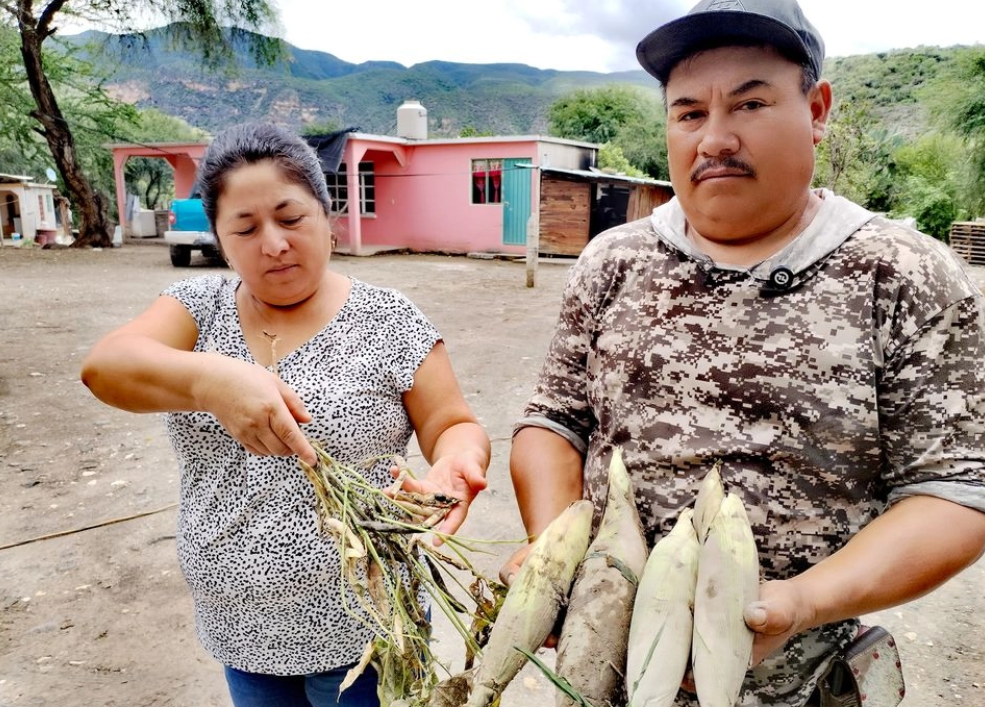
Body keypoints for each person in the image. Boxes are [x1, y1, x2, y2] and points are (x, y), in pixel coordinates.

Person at [504, 0, 985, 705]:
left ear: (816, 108)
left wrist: (802, 600)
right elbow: (553, 421)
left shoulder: (902, 272)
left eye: (750, 103)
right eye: (689, 112)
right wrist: (559, 551)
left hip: (801, 684)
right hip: (599, 675)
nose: (715, 139)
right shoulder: (613, 260)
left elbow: (950, 491)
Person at [80, 122, 490, 707]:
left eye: (291, 218)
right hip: (239, 620)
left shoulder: (389, 319)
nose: (273, 243)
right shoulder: (196, 311)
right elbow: (105, 367)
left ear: (327, 215)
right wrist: (211, 380)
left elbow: (452, 424)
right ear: (221, 240)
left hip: (364, 622)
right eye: (245, 229)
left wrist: (457, 461)